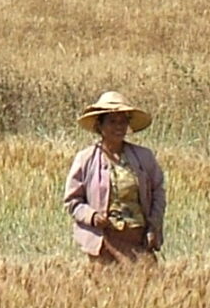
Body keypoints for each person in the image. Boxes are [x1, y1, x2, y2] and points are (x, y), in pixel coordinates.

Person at [63, 91, 163, 264]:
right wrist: (92, 216)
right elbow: (72, 201)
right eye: (112, 121)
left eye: (123, 121)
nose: (119, 126)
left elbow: (158, 194)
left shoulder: (144, 157)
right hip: (103, 240)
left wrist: (153, 226)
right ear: (100, 126)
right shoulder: (85, 159)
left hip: (137, 238)